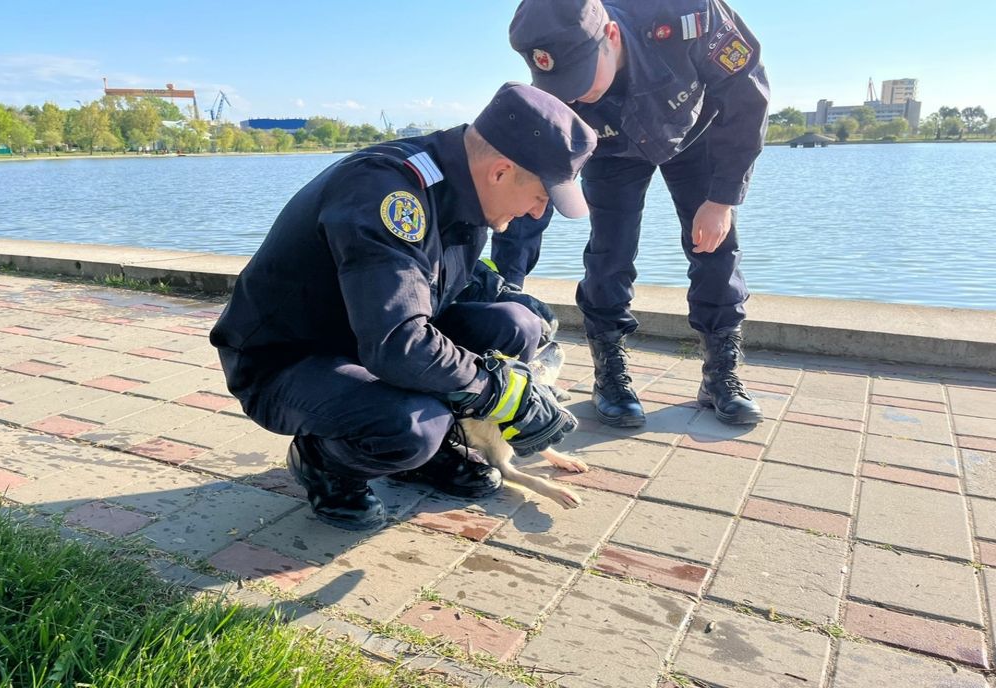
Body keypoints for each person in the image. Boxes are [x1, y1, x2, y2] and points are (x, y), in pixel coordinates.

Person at [210, 83, 595, 531]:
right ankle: (322, 463)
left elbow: (438, 283)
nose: (536, 213)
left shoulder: (462, 188)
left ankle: (428, 456)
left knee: (517, 326)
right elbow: (399, 344)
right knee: (413, 425)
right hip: (290, 360)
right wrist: (502, 393)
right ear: (501, 171)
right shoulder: (389, 195)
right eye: (541, 197)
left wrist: (503, 294)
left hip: (365, 334)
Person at [498, 0, 770, 428]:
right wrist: (505, 285)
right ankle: (610, 375)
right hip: (610, 148)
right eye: (560, 85)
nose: (575, 94)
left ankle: (722, 374)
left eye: (581, 77)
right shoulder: (561, 89)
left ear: (610, 35)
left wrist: (722, 199)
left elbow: (747, 97)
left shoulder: (688, 13)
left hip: (696, 133)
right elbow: (534, 186)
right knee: (611, 252)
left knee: (715, 246)